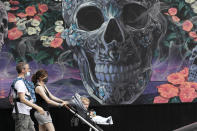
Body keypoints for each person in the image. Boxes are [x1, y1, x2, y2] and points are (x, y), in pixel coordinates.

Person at [11, 62, 45, 131]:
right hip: (21, 113)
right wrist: (38, 107)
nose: (29, 70)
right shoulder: (19, 82)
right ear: (23, 70)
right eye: (28, 68)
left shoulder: (23, 81)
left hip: (25, 113)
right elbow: (22, 99)